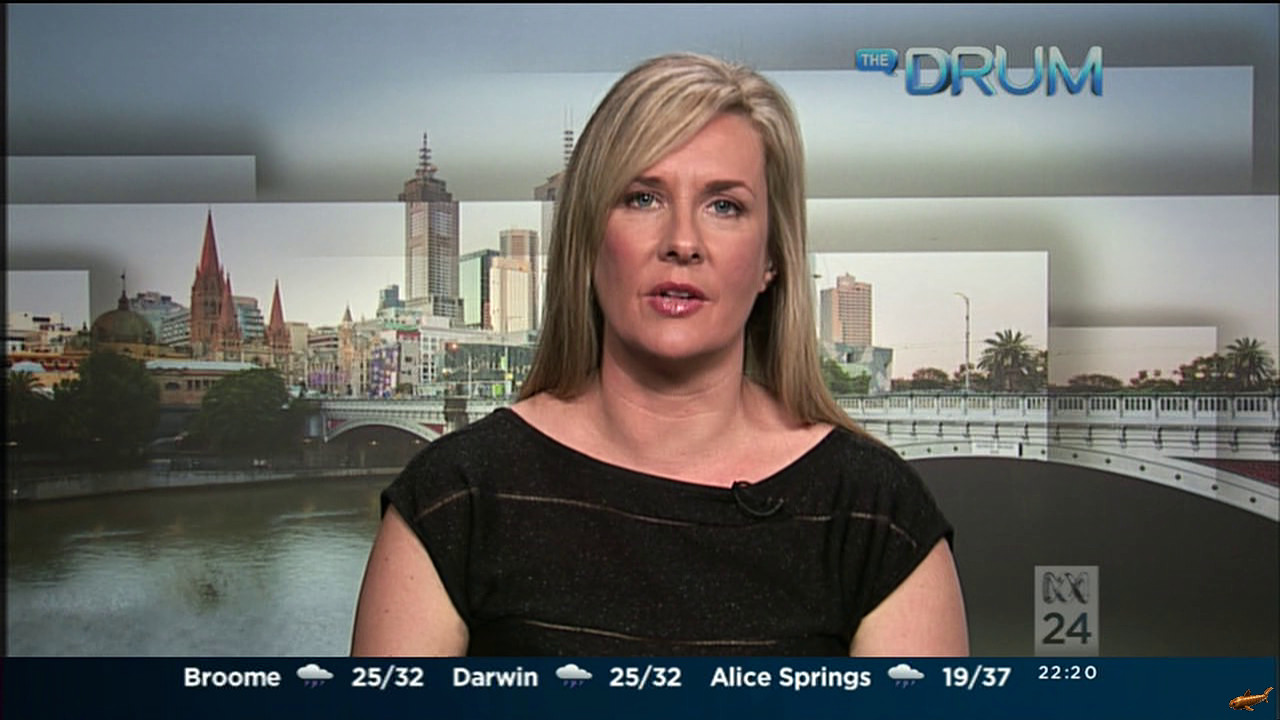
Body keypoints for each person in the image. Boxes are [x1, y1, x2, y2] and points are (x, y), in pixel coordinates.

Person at [351, 53, 967, 656]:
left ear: (771, 260)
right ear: (588, 240)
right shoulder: (454, 498)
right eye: (643, 198)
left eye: (725, 206)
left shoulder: (876, 514)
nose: (682, 242)